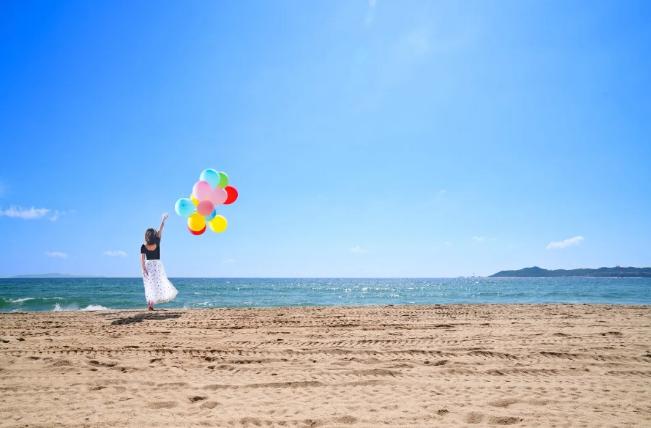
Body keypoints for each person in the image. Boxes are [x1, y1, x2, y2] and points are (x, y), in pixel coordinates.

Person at [140, 213, 177, 310]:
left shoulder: (143, 246)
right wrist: (163, 220)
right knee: (159, 283)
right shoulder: (157, 241)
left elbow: (142, 258)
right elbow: (160, 229)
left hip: (148, 265)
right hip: (157, 265)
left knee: (149, 285)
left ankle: (150, 304)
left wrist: (143, 268)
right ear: (154, 235)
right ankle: (152, 303)